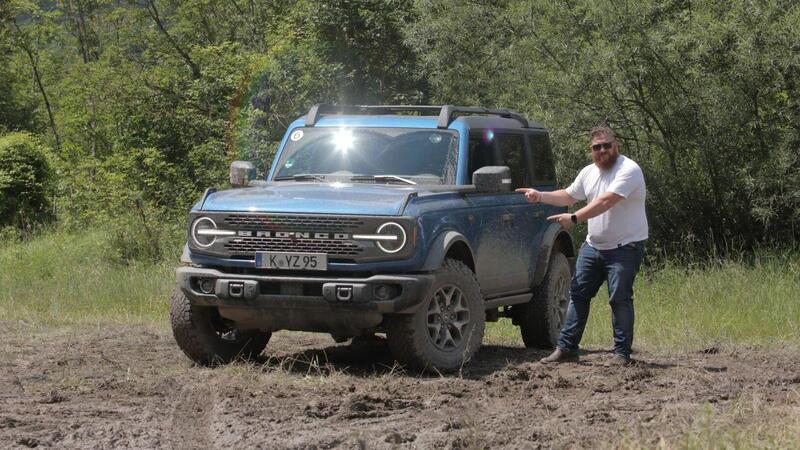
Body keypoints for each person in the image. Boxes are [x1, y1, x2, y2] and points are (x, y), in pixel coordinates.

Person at [516, 126, 647, 365]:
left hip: (625, 247)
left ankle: (621, 354)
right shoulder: (588, 172)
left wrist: (574, 218)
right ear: (591, 150)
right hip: (594, 247)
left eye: (607, 145)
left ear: (616, 145)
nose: (603, 150)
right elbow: (568, 195)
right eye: (597, 147)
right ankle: (566, 349)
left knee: (619, 298)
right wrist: (540, 196)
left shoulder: (629, 170)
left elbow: (606, 201)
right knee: (577, 294)